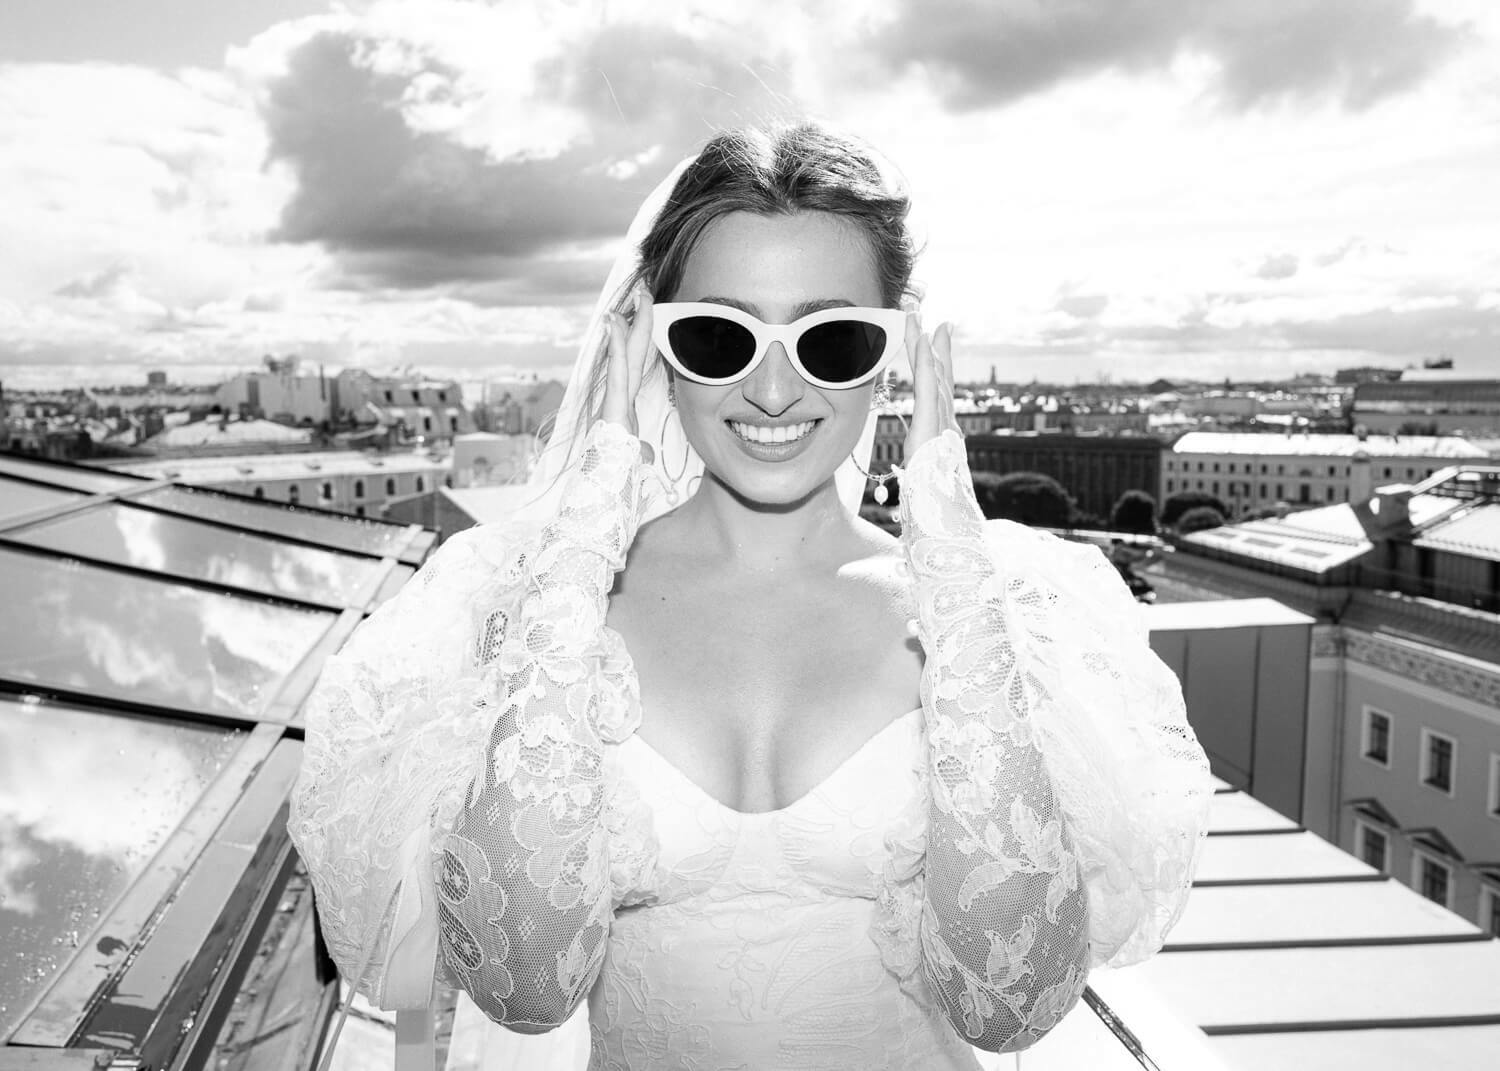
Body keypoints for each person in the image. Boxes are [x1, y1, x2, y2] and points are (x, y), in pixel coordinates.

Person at [288, 121, 1211, 1071]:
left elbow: (1008, 1004)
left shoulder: (991, 620)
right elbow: (522, 985)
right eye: (719, 337)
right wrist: (582, 547)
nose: (774, 389)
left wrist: (956, 575)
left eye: (833, 340)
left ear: (896, 346)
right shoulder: (539, 614)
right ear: (648, 341)